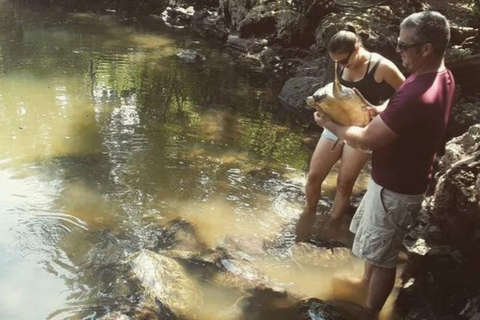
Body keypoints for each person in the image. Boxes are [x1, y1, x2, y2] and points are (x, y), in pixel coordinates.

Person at [312, 11, 455, 318]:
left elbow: (364, 141)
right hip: (397, 180)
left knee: (385, 254)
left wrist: (331, 125)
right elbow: (400, 100)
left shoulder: (417, 95)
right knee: (377, 246)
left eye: (403, 45)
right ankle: (365, 280)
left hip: (396, 189)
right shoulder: (438, 75)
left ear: (426, 48)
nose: (397, 50)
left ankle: (370, 310)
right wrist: (381, 108)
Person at [295, 29, 405, 242]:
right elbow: (330, 90)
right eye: (337, 62)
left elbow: (405, 93)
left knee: (345, 183)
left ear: (357, 49)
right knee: (314, 176)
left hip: (362, 131)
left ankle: (332, 224)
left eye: (344, 61)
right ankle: (308, 213)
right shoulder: (338, 62)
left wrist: (380, 109)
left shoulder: (380, 66)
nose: (341, 66)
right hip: (334, 125)